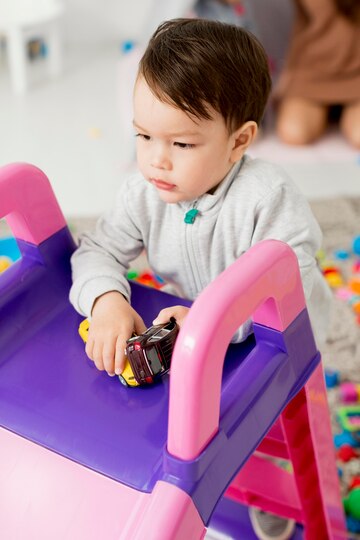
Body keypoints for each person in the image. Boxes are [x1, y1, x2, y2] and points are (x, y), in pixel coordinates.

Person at [70, 18, 332, 540]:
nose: (155, 159)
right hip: (193, 336)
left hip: (274, 340)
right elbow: (97, 249)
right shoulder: (143, 190)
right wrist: (106, 301)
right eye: (143, 135)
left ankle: (270, 487)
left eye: (182, 145)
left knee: (263, 427)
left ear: (239, 142)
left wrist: (211, 319)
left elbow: (292, 280)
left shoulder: (266, 197)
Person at [275, 0, 360, 148]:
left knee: (358, 136)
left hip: (357, 73)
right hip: (313, 68)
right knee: (294, 133)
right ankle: (331, 112)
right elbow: (301, 22)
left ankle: (342, 111)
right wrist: (289, 77)